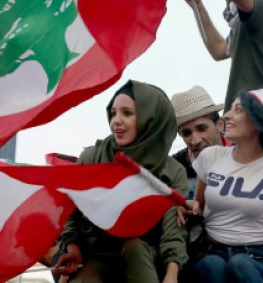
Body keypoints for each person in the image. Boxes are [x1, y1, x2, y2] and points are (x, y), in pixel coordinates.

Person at [53, 81, 188, 283]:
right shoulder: (92, 159)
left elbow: (174, 232)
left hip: (145, 256)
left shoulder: (172, 172)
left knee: (134, 247)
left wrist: (171, 274)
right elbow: (71, 213)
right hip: (97, 252)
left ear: (151, 119)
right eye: (113, 113)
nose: (116, 121)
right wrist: (72, 247)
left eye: (127, 113)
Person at [191, 89, 263, 283]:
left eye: (238, 110)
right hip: (211, 253)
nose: (227, 115)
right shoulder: (210, 156)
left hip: (255, 259)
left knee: (239, 263)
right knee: (212, 265)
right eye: (230, 109)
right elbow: (197, 208)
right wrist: (181, 207)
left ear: (259, 121)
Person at [170, 85, 226, 200]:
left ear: (219, 124)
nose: (195, 141)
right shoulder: (173, 168)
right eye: (187, 133)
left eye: (201, 129)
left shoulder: (246, 151)